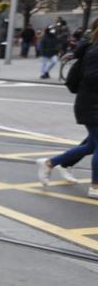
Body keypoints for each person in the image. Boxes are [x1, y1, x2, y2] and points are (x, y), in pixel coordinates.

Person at [38, 20, 98, 197]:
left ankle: (50, 163)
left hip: (92, 104)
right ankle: (95, 186)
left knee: (90, 146)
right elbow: (92, 77)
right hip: (91, 105)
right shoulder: (95, 51)